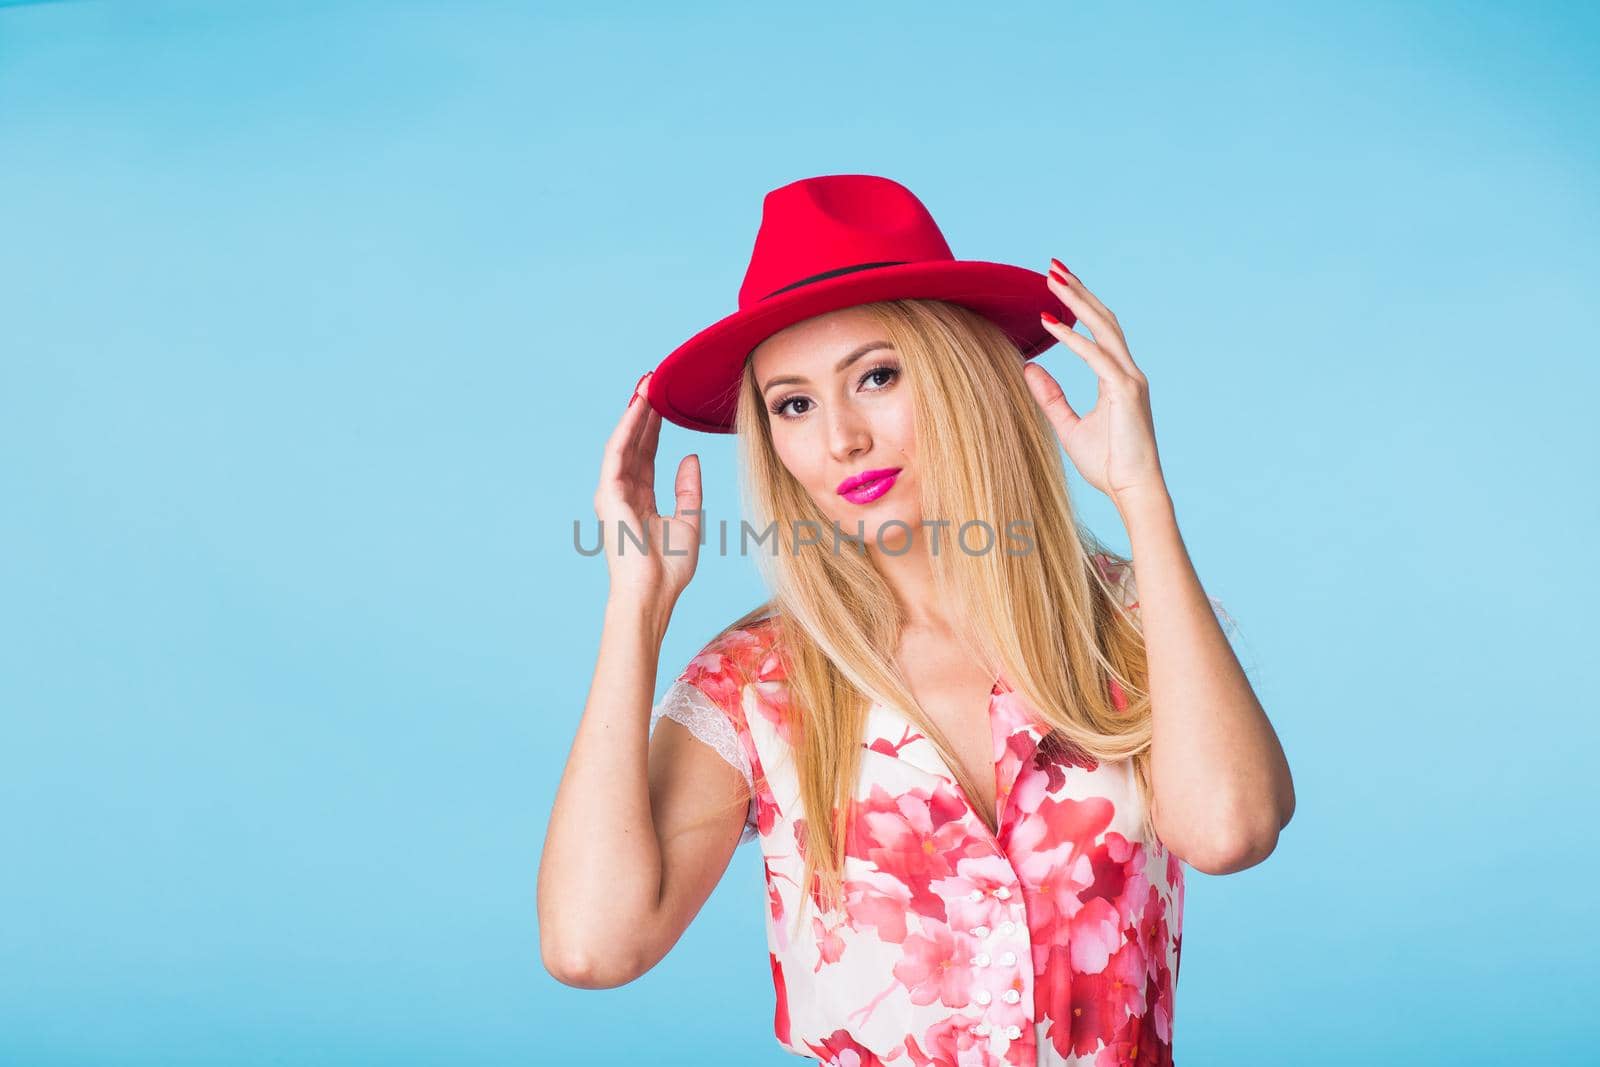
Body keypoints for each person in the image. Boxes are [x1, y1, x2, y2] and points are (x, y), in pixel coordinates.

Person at [539, 174, 1294, 1066]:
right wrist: (635, 612)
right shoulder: (753, 684)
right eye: (795, 404)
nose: (842, 438)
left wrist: (1141, 496)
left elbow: (1231, 829)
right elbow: (593, 946)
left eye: (878, 376)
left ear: (962, 377)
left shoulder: (1133, 619)